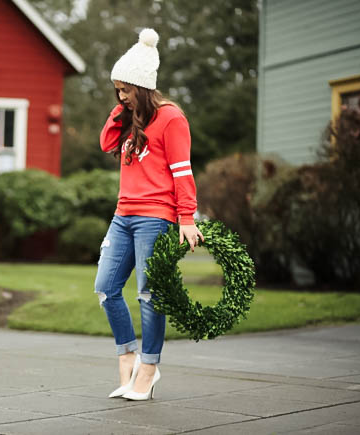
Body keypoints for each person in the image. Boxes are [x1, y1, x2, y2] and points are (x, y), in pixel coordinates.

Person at [95, 28, 204, 401]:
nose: (120, 95)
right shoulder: (130, 117)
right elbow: (106, 142)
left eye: (126, 89)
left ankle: (150, 366)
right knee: (106, 289)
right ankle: (127, 357)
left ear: (142, 86)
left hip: (155, 217)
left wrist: (186, 218)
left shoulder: (172, 118)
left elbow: (182, 170)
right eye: (117, 89)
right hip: (123, 215)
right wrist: (123, 107)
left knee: (149, 294)